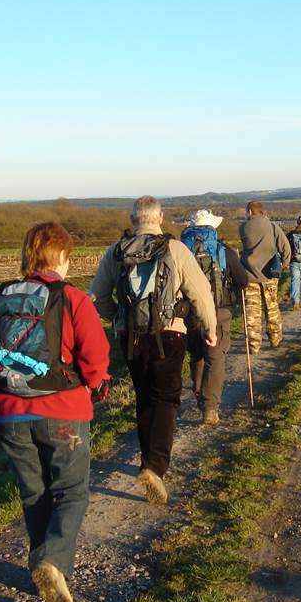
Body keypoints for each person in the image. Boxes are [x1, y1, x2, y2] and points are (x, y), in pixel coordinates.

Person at [0, 221, 111, 602]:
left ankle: (43, 570)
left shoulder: (1, 300)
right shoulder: (72, 299)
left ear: (27, 257)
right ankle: (52, 562)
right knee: (71, 491)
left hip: (10, 415)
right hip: (64, 412)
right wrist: (98, 384)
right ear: (64, 257)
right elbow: (96, 358)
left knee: (35, 493)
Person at [89, 196, 216, 505]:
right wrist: (210, 329)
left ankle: (148, 461)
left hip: (130, 337)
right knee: (166, 399)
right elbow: (200, 292)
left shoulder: (116, 251)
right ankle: (155, 467)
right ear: (159, 217)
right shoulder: (174, 249)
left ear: (133, 219)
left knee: (145, 397)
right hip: (169, 334)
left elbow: (96, 297)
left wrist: (118, 318)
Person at [179, 209, 250, 425]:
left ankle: (201, 397)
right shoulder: (224, 251)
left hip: (189, 311)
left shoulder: (181, 251)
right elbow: (243, 280)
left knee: (197, 354)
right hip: (219, 310)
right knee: (215, 356)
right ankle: (210, 407)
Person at [239, 200, 291, 354]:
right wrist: (284, 264)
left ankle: (254, 345)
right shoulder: (272, 227)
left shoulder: (243, 228)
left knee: (252, 313)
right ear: (262, 211)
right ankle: (275, 339)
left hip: (249, 276)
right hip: (270, 276)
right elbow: (285, 248)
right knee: (272, 308)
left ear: (249, 212)